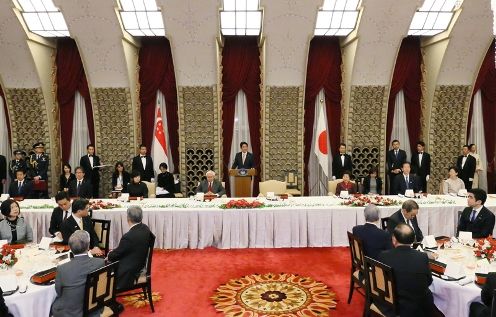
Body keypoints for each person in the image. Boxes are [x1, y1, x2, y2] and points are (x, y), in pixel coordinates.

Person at [377, 223, 435, 317]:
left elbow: (380, 283)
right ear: (412, 240)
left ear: (394, 239)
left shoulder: (383, 256)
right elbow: (429, 281)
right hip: (418, 306)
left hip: (392, 306)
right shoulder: (422, 257)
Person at [51, 230, 105, 317]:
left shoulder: (62, 269)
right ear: (88, 247)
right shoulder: (100, 263)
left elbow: (59, 292)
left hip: (70, 313)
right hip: (93, 309)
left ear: (70, 248)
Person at [107, 206, 152, 290]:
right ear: (141, 217)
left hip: (130, 270)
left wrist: (109, 254)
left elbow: (116, 255)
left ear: (128, 218)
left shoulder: (128, 237)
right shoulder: (145, 228)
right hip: (140, 261)